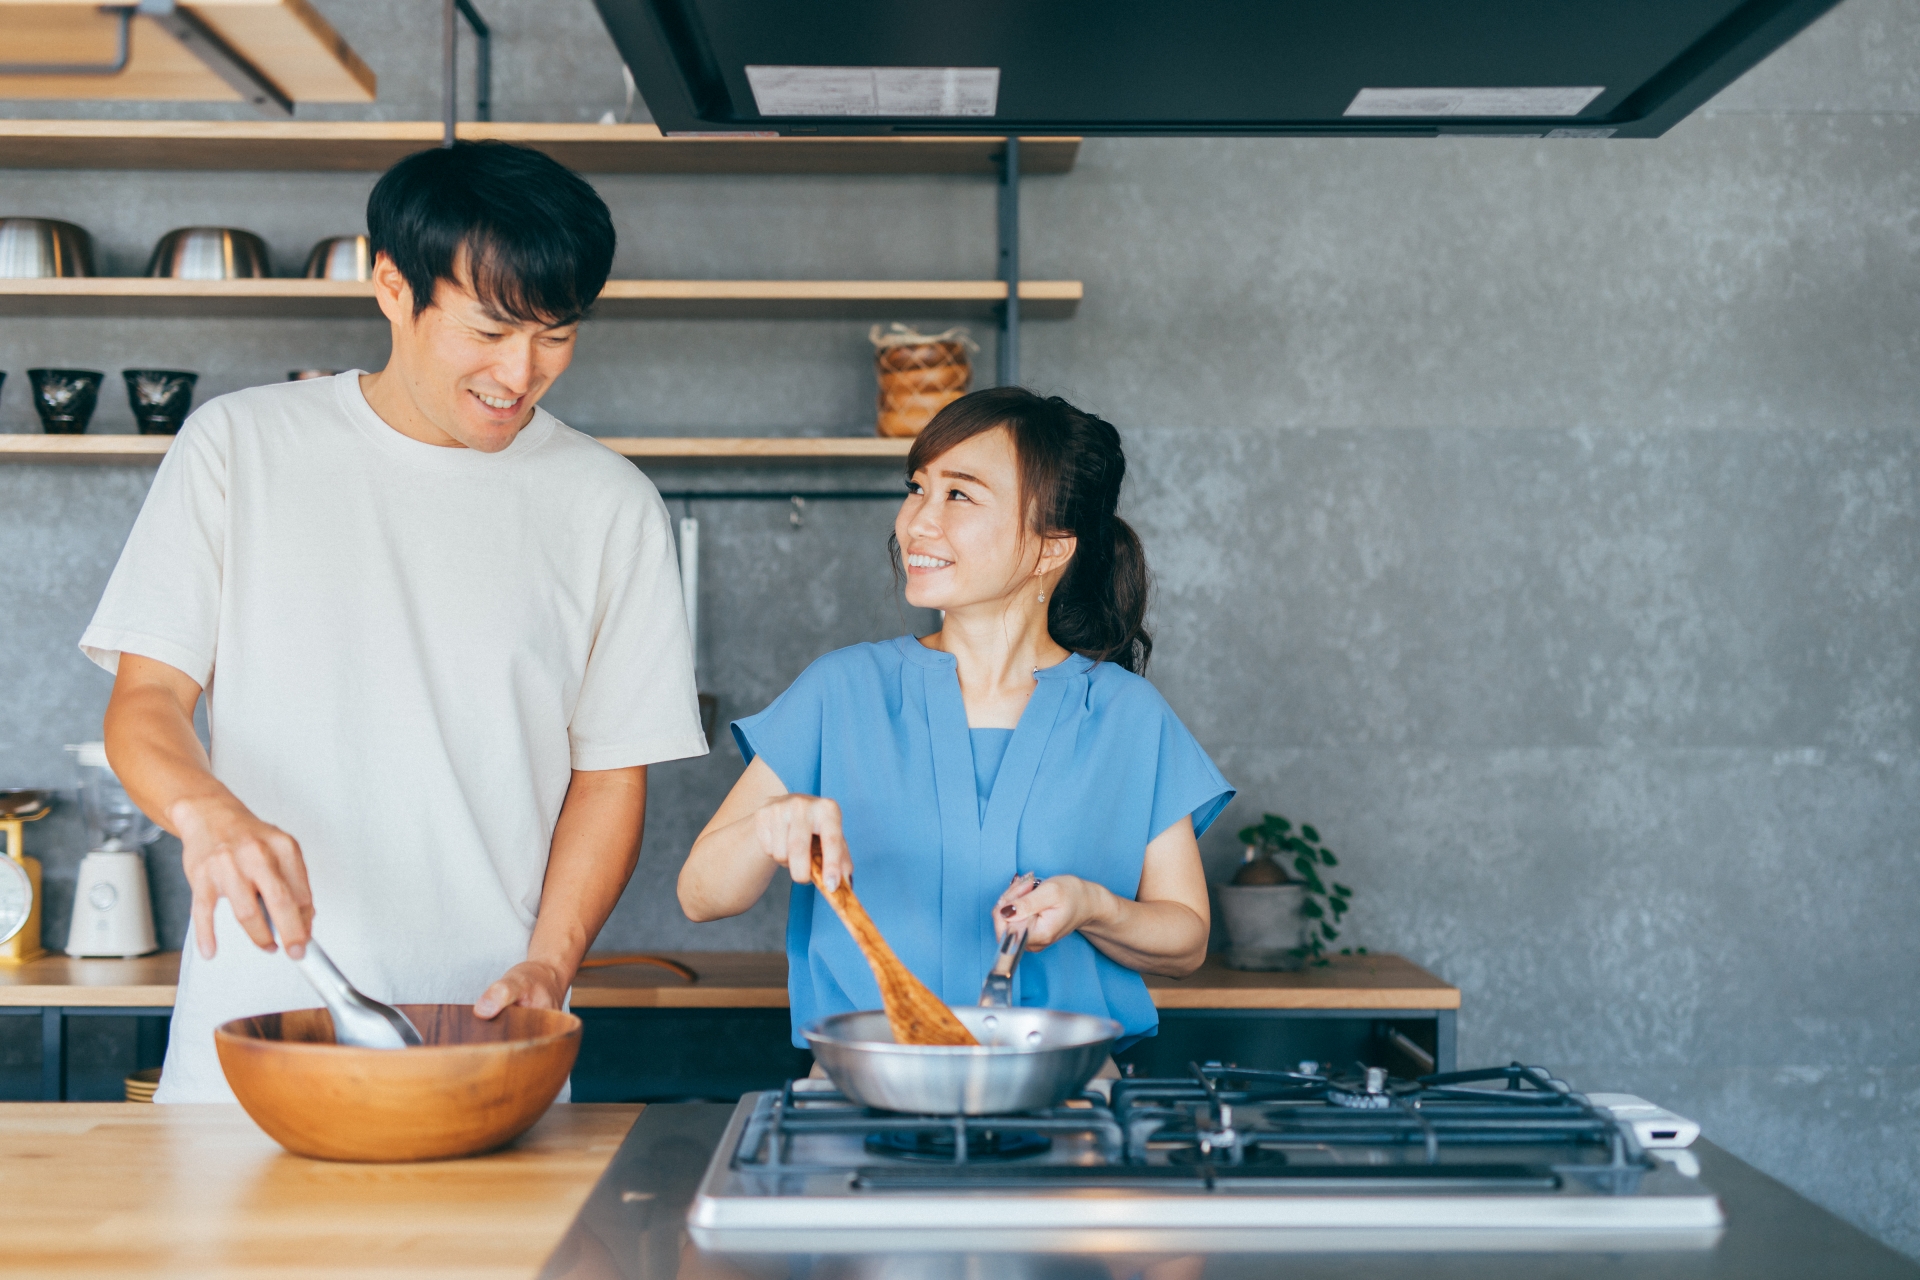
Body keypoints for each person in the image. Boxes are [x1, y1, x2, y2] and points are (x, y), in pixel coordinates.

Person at [84, 141, 707, 1102]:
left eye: (556, 333)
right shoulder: (241, 446)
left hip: (491, 1044)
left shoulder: (608, 503)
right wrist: (207, 816)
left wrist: (551, 965)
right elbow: (146, 701)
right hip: (254, 1038)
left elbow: (609, 779)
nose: (522, 370)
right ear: (391, 285)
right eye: (490, 329)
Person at [679, 387, 1232, 1052]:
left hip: (1064, 1100)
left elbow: (1186, 941)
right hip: (863, 1094)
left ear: (1051, 546)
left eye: (959, 495)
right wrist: (771, 826)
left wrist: (1093, 907)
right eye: (917, 488)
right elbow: (701, 895)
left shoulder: (1128, 717)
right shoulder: (842, 691)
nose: (916, 522)